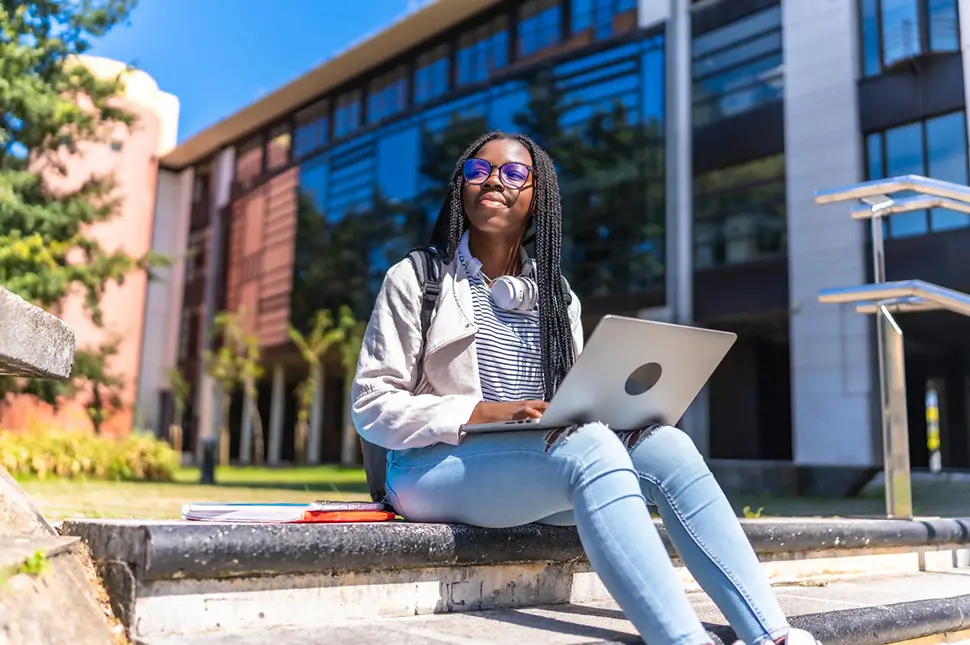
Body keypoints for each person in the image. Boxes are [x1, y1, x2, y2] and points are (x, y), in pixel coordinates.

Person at [352, 130, 818, 645]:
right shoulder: (418, 278)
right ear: (461, 186)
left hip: (530, 472)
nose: (491, 182)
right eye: (477, 171)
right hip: (429, 468)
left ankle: (772, 634)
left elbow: (572, 406)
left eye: (512, 174)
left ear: (537, 197)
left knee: (668, 446)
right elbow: (372, 406)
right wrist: (483, 412)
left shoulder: (557, 299)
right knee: (592, 448)